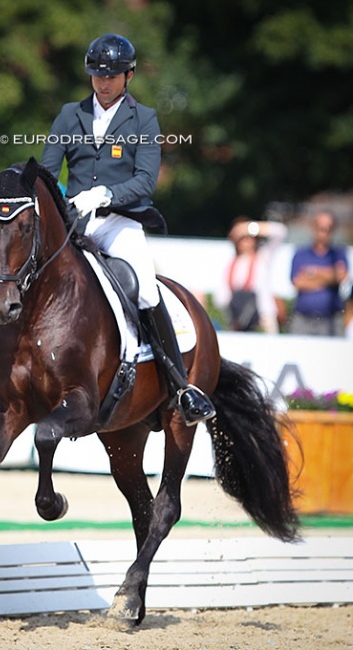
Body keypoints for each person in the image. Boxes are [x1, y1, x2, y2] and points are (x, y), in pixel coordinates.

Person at [40, 33, 214, 426]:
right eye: (98, 76)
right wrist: (59, 201)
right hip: (75, 223)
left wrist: (102, 194)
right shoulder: (70, 115)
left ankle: (180, 385)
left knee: (147, 291)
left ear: (129, 75)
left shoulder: (144, 119)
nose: (104, 83)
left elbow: (144, 182)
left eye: (113, 76)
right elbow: (48, 172)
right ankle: (8, 380)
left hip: (120, 222)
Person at [213, 218, 288, 333]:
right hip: (238, 318)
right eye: (242, 239)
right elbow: (222, 297)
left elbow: (280, 231)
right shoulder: (232, 263)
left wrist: (249, 227)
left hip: (263, 316)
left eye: (249, 238)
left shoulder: (263, 256)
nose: (246, 242)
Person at [289, 211, 349, 336]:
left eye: (328, 229)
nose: (324, 233)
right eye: (321, 228)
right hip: (303, 319)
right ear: (314, 228)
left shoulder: (338, 254)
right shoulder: (301, 254)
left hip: (331, 319)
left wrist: (312, 272)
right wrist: (329, 277)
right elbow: (298, 282)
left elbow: (342, 277)